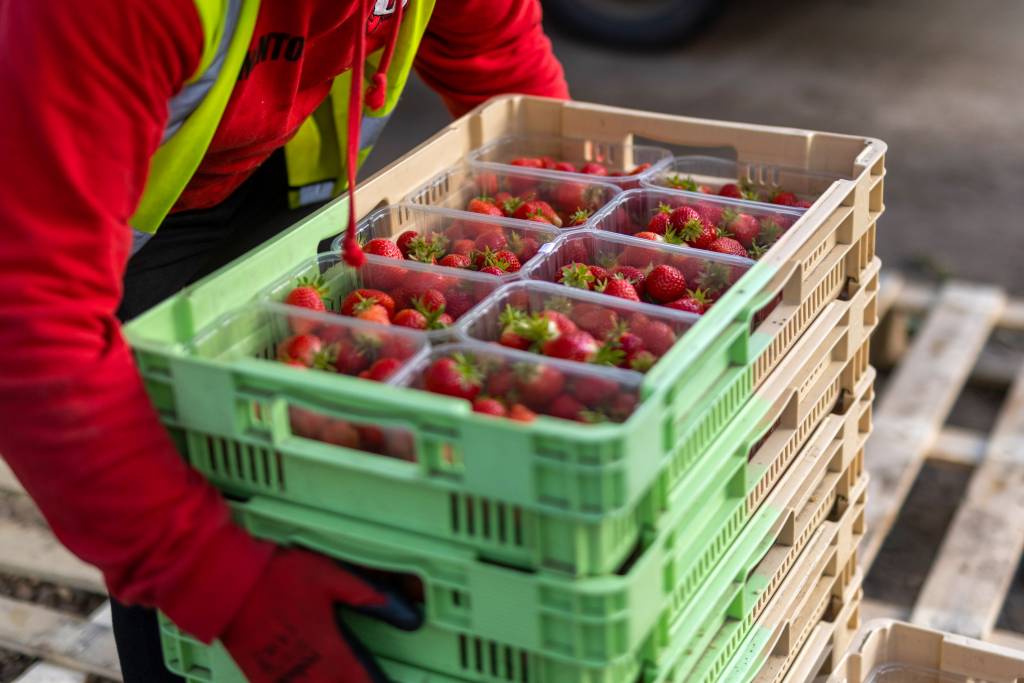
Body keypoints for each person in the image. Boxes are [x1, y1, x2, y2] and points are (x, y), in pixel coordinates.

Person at [0, 0, 569, 680]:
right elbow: (29, 318)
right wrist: (221, 585)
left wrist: (568, 248)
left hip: (278, 170)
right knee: (163, 456)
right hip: (114, 197)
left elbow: (504, 68)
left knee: (297, 452)